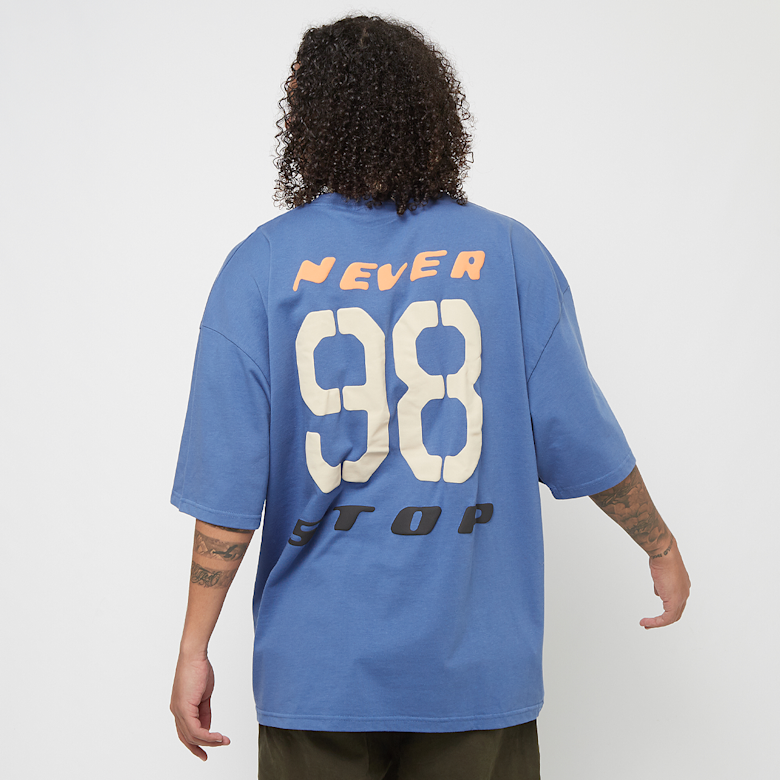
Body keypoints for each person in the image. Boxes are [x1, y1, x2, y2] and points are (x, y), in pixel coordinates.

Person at [169, 13, 690, 780]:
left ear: (307, 119)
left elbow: (228, 490)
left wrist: (194, 647)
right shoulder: (508, 254)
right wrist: (659, 544)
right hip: (475, 674)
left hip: (316, 674)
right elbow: (581, 438)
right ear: (431, 111)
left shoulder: (260, 267)